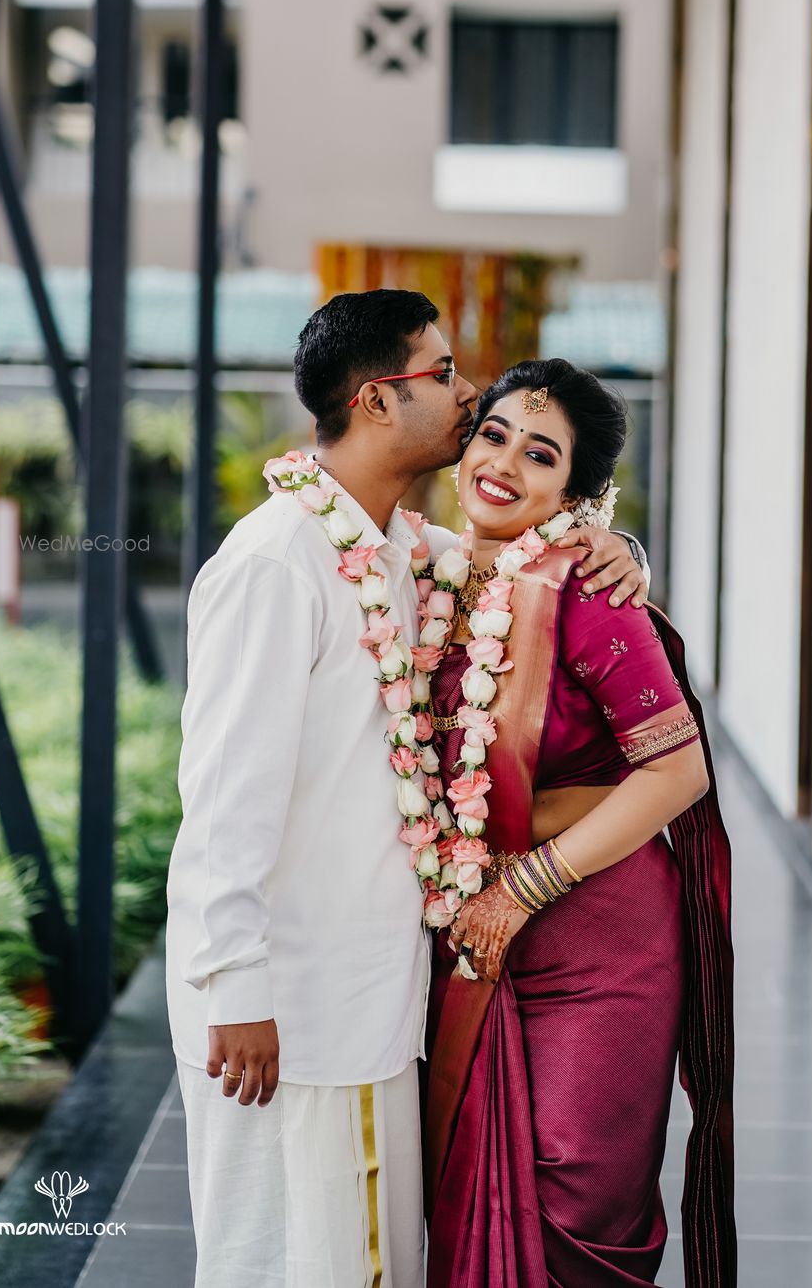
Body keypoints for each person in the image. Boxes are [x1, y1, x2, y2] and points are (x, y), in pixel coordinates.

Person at [164, 292, 650, 1288]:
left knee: (357, 1260)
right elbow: (222, 801)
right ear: (379, 400)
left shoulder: (394, 549)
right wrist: (239, 989)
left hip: (373, 995)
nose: (468, 392)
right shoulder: (276, 564)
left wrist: (617, 546)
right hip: (288, 1009)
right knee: (283, 1258)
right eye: (442, 372)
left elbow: (515, 556)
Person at [423, 359, 735, 1288]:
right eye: (495, 434)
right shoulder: (427, 575)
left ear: (578, 491)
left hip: (601, 938)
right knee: (473, 1187)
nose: (507, 462)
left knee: (571, 1202)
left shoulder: (588, 589)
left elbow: (678, 770)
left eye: (541, 453)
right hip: (477, 938)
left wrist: (527, 884)